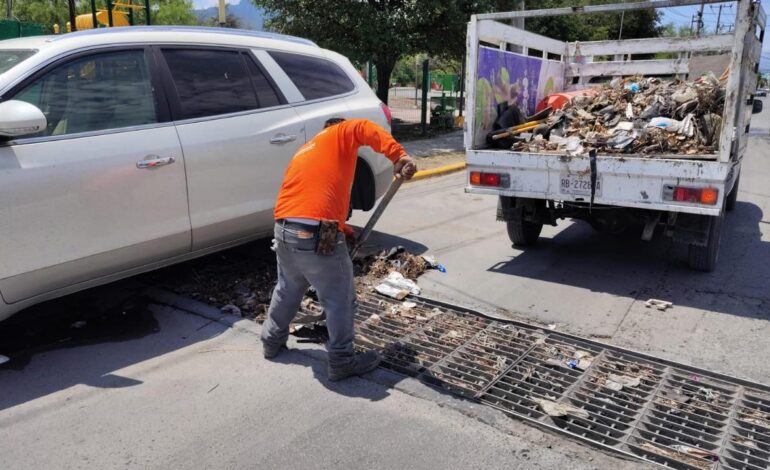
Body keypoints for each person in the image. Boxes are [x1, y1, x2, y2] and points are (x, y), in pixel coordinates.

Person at [261, 118, 417, 381]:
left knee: (289, 287)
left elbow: (312, 202)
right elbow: (362, 127)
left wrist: (343, 232)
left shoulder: (305, 150)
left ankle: (270, 341)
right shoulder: (339, 133)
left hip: (284, 228)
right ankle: (342, 359)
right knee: (340, 298)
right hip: (314, 232)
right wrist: (398, 155)